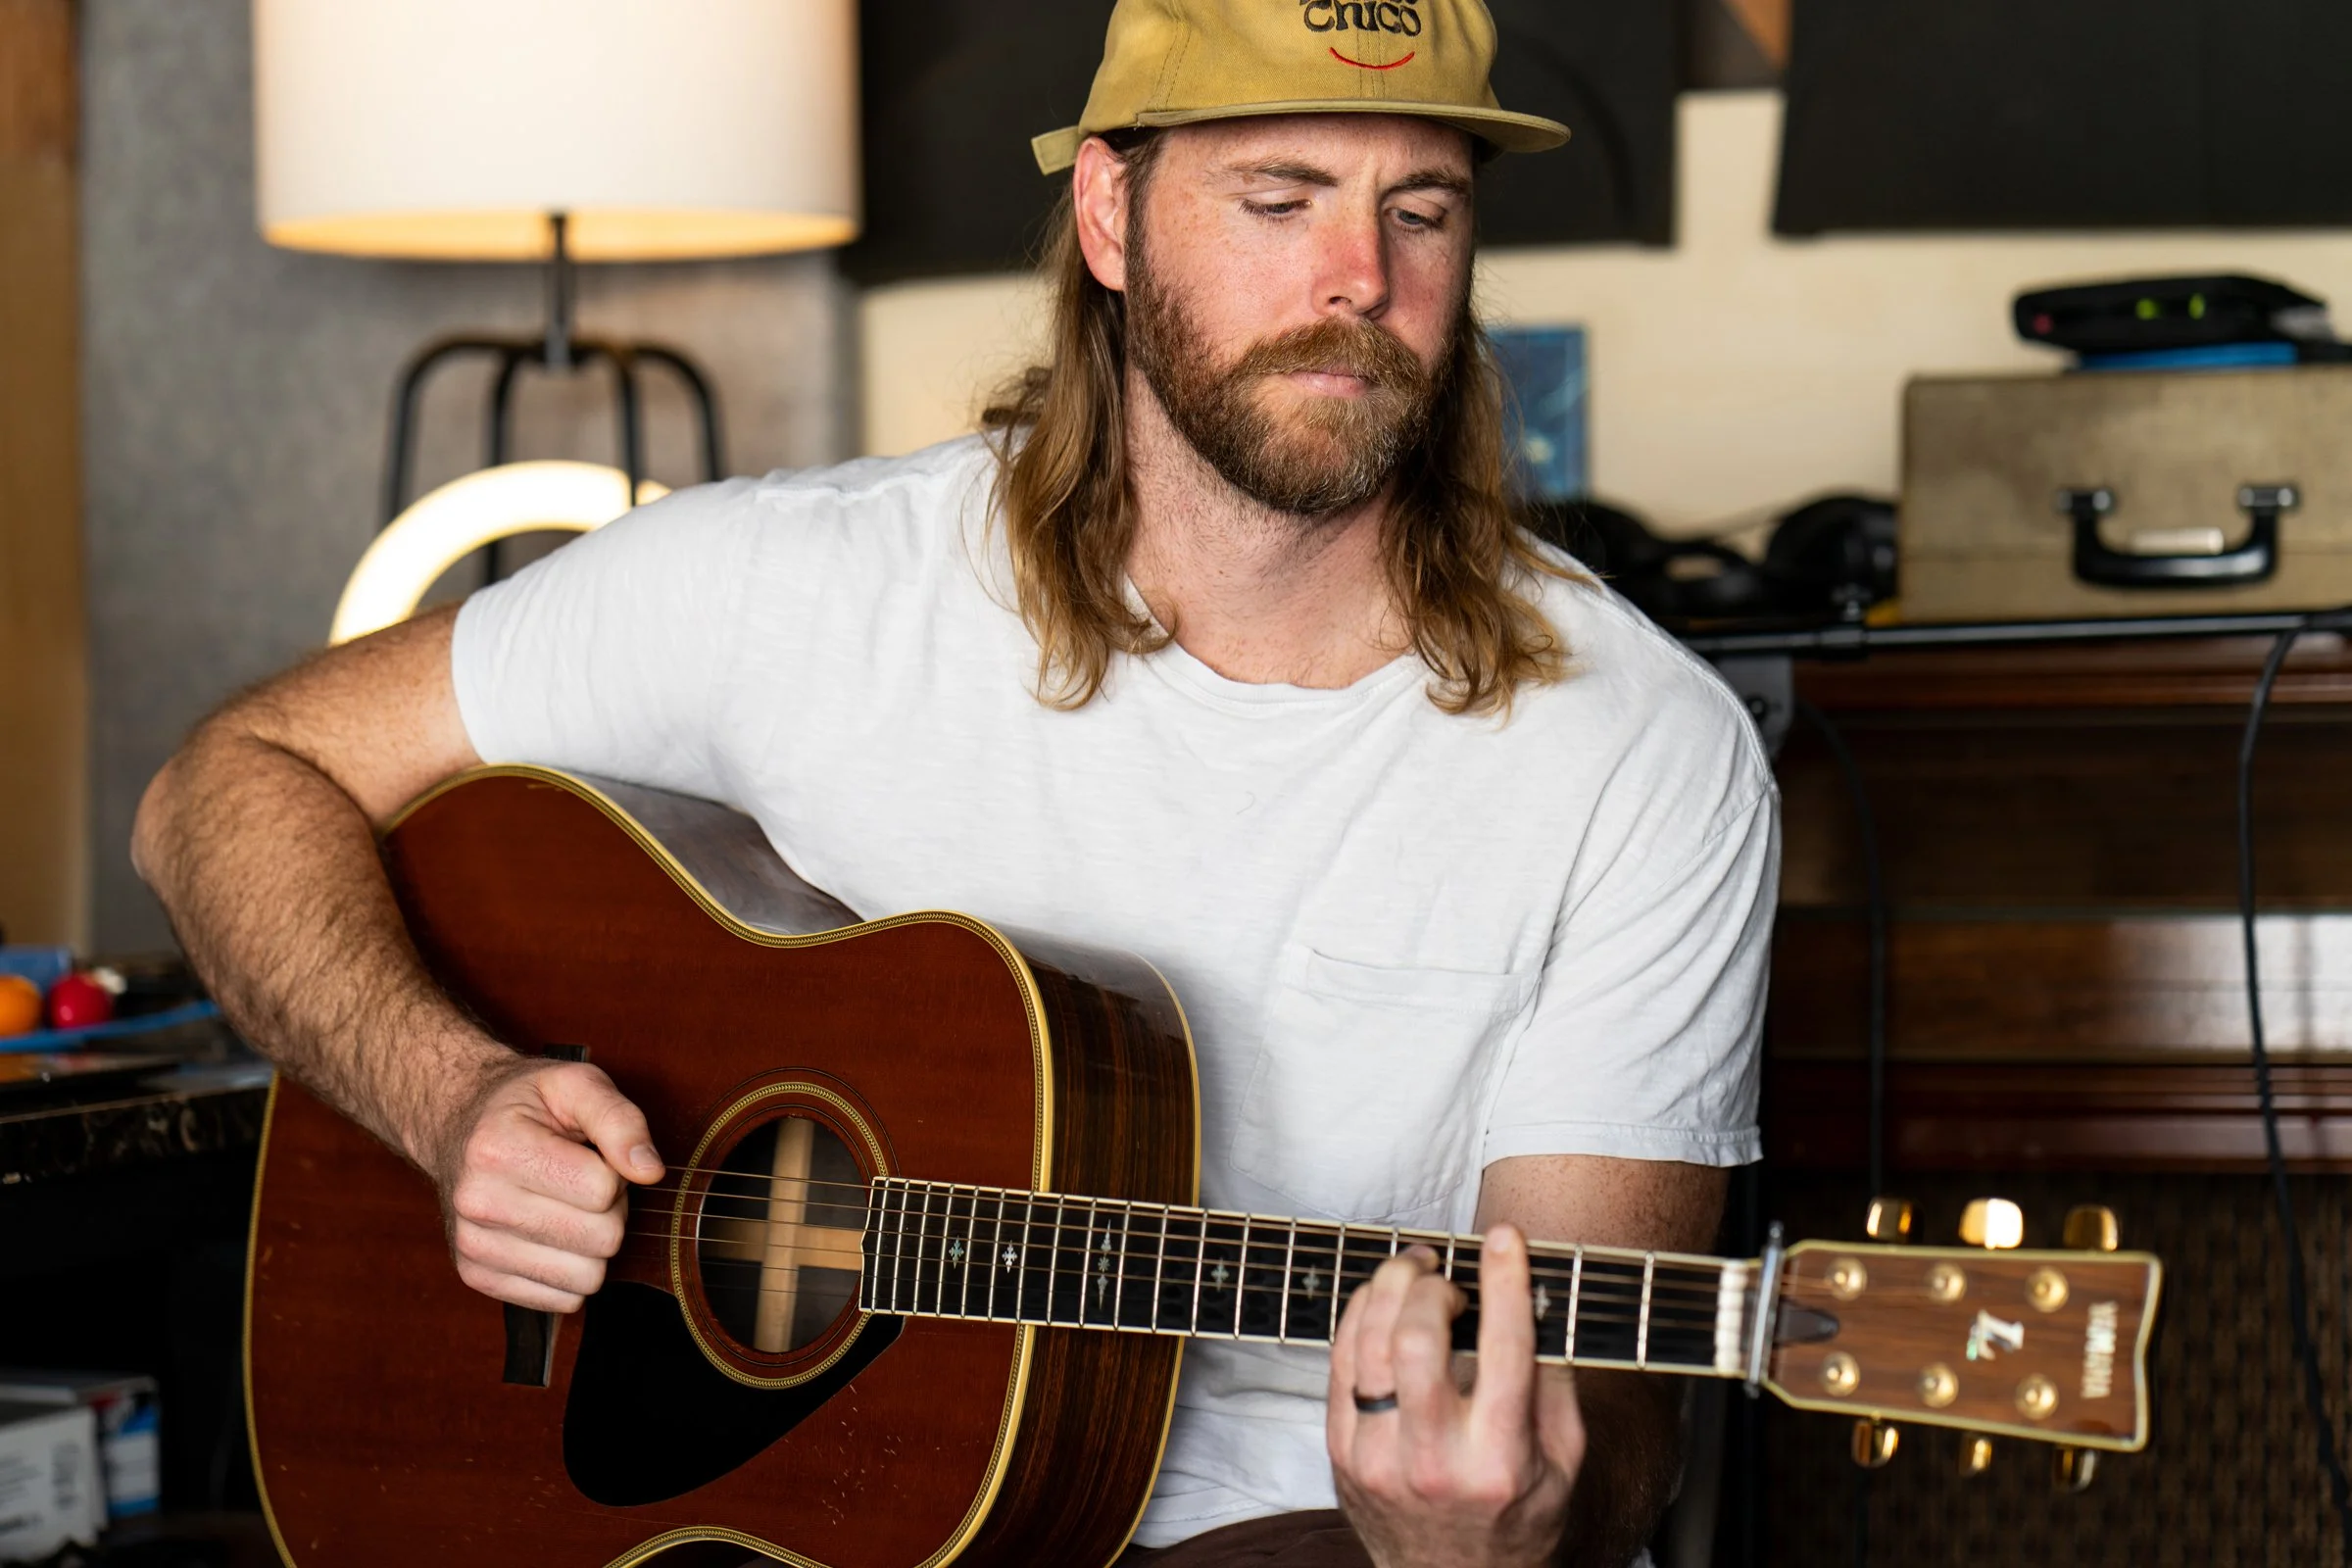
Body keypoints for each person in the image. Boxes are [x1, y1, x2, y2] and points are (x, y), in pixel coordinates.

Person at [133, 0, 1776, 1563]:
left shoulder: (1635, 748)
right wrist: (450, 1100)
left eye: (1420, 209)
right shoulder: (801, 587)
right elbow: (230, 779)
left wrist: (1494, 1540)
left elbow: (1614, 1409)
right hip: (793, 1519)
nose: (1361, 277)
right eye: (1281, 198)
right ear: (1112, 219)